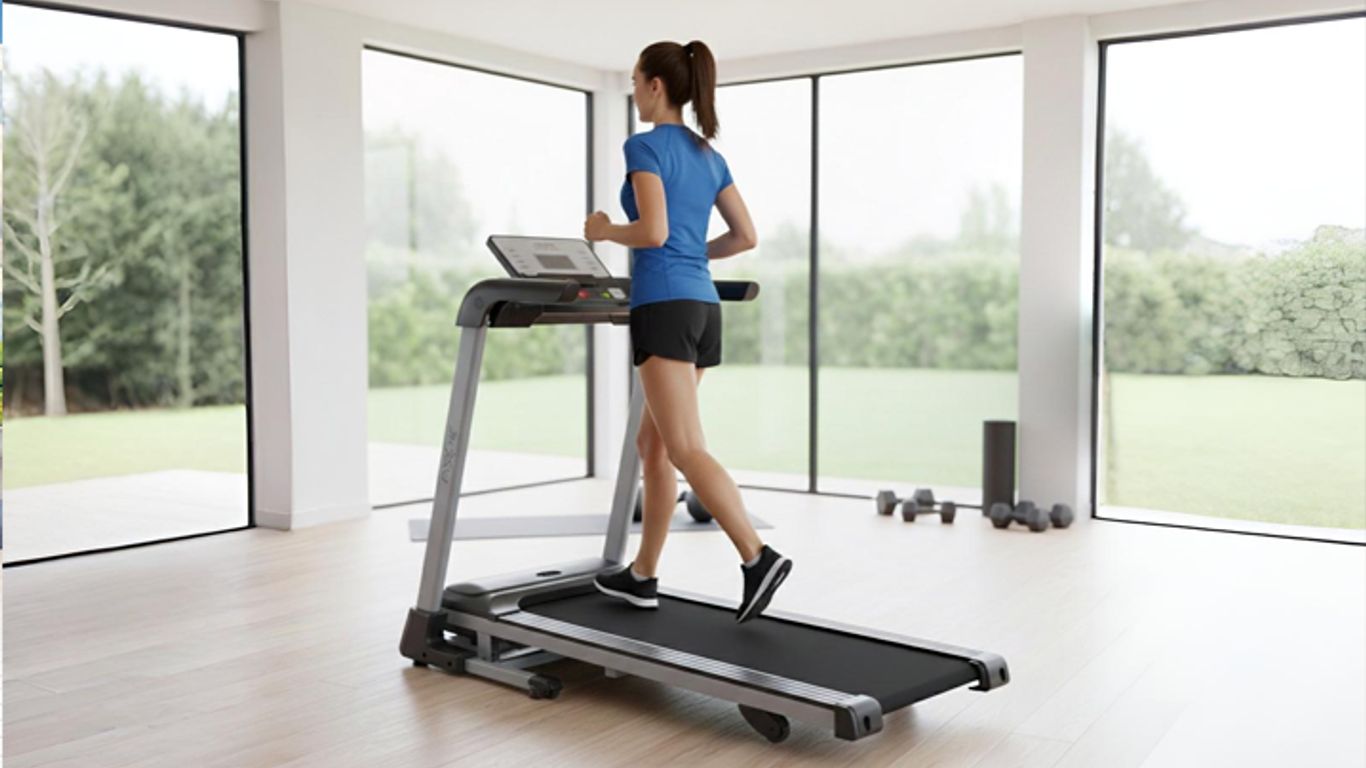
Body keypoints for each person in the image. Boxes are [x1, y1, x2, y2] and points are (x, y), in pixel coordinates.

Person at [583, 40, 791, 624]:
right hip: (702, 308)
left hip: (665, 307)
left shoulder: (644, 146)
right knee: (654, 446)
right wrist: (691, 256)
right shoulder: (707, 154)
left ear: (655, 86)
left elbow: (650, 231)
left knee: (686, 447)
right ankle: (642, 575)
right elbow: (745, 236)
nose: (632, 91)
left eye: (634, 81)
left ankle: (757, 557)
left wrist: (603, 229)